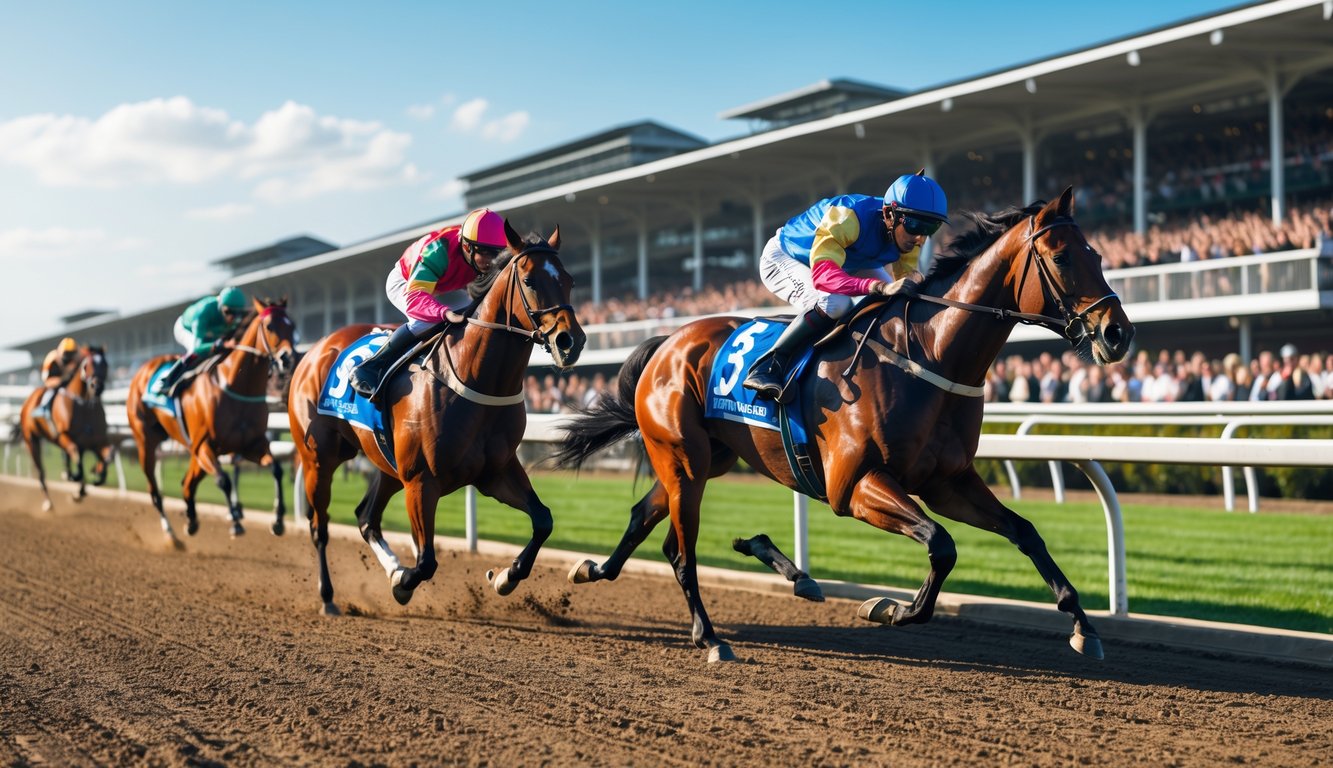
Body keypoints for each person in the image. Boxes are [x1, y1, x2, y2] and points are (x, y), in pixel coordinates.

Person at [743, 170, 945, 402]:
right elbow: (823, 277)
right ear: (890, 214)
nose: (920, 238)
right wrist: (877, 287)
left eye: (930, 228)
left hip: (848, 260)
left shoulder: (907, 234)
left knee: (895, 300)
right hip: (786, 257)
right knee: (835, 303)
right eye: (915, 225)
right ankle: (769, 365)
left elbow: (908, 280)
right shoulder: (848, 217)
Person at [349, 208, 507, 399]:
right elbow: (415, 297)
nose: (492, 261)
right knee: (425, 321)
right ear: (467, 247)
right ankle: (370, 367)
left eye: (497, 253)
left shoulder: (482, 255)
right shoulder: (438, 251)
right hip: (408, 283)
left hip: (446, 286)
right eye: (486, 253)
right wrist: (444, 313)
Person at [152, 286, 248, 396]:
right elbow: (198, 347)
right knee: (194, 351)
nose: (233, 318)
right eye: (228, 312)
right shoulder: (204, 311)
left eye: (238, 314)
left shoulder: (234, 316)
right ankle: (165, 382)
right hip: (186, 329)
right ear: (220, 306)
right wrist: (222, 344)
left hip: (210, 333)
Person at [37, 337, 80, 410]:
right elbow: (46, 379)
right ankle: (43, 408)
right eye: (67, 353)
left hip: (67, 384)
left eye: (71, 353)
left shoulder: (75, 360)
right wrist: (60, 380)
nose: (69, 357)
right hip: (53, 383)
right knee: (50, 393)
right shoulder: (52, 359)